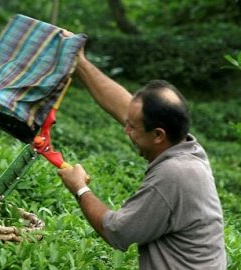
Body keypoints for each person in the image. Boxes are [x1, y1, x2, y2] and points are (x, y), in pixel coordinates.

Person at [57, 34, 227, 268]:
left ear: (158, 135)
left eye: (132, 127)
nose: (125, 129)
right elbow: (125, 108)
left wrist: (79, 188)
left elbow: (118, 232)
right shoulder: (185, 147)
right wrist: (80, 63)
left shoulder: (174, 174)